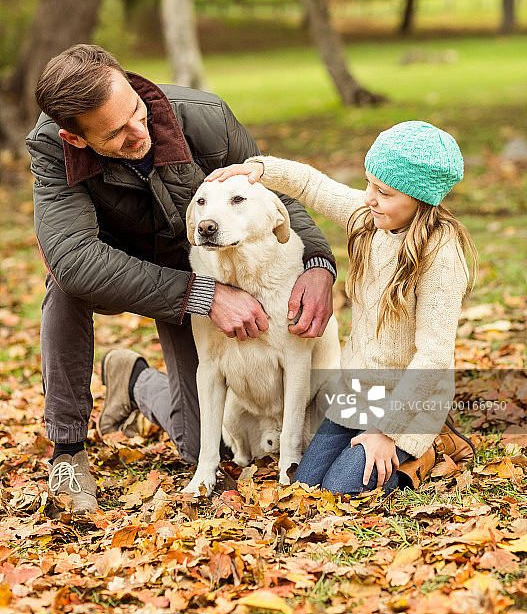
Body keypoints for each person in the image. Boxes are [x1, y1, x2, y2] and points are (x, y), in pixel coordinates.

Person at [26, 44, 336, 513]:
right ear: (76, 140)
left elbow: (276, 197)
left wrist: (319, 263)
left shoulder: (205, 118)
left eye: (136, 111)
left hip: (192, 261)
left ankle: (133, 381)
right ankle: (67, 451)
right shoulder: (52, 146)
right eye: (117, 133)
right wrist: (201, 294)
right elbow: (75, 259)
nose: (138, 131)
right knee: (63, 285)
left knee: (199, 445)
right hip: (114, 268)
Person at [207, 120, 478, 496]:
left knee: (342, 490)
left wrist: (386, 433)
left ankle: (429, 448)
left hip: (407, 404)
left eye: (382, 192)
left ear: (419, 199)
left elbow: (433, 356)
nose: (368, 197)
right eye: (369, 183)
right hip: (357, 392)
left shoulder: (441, 258)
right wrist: (261, 170)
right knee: (306, 485)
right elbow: (314, 187)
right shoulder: (371, 219)